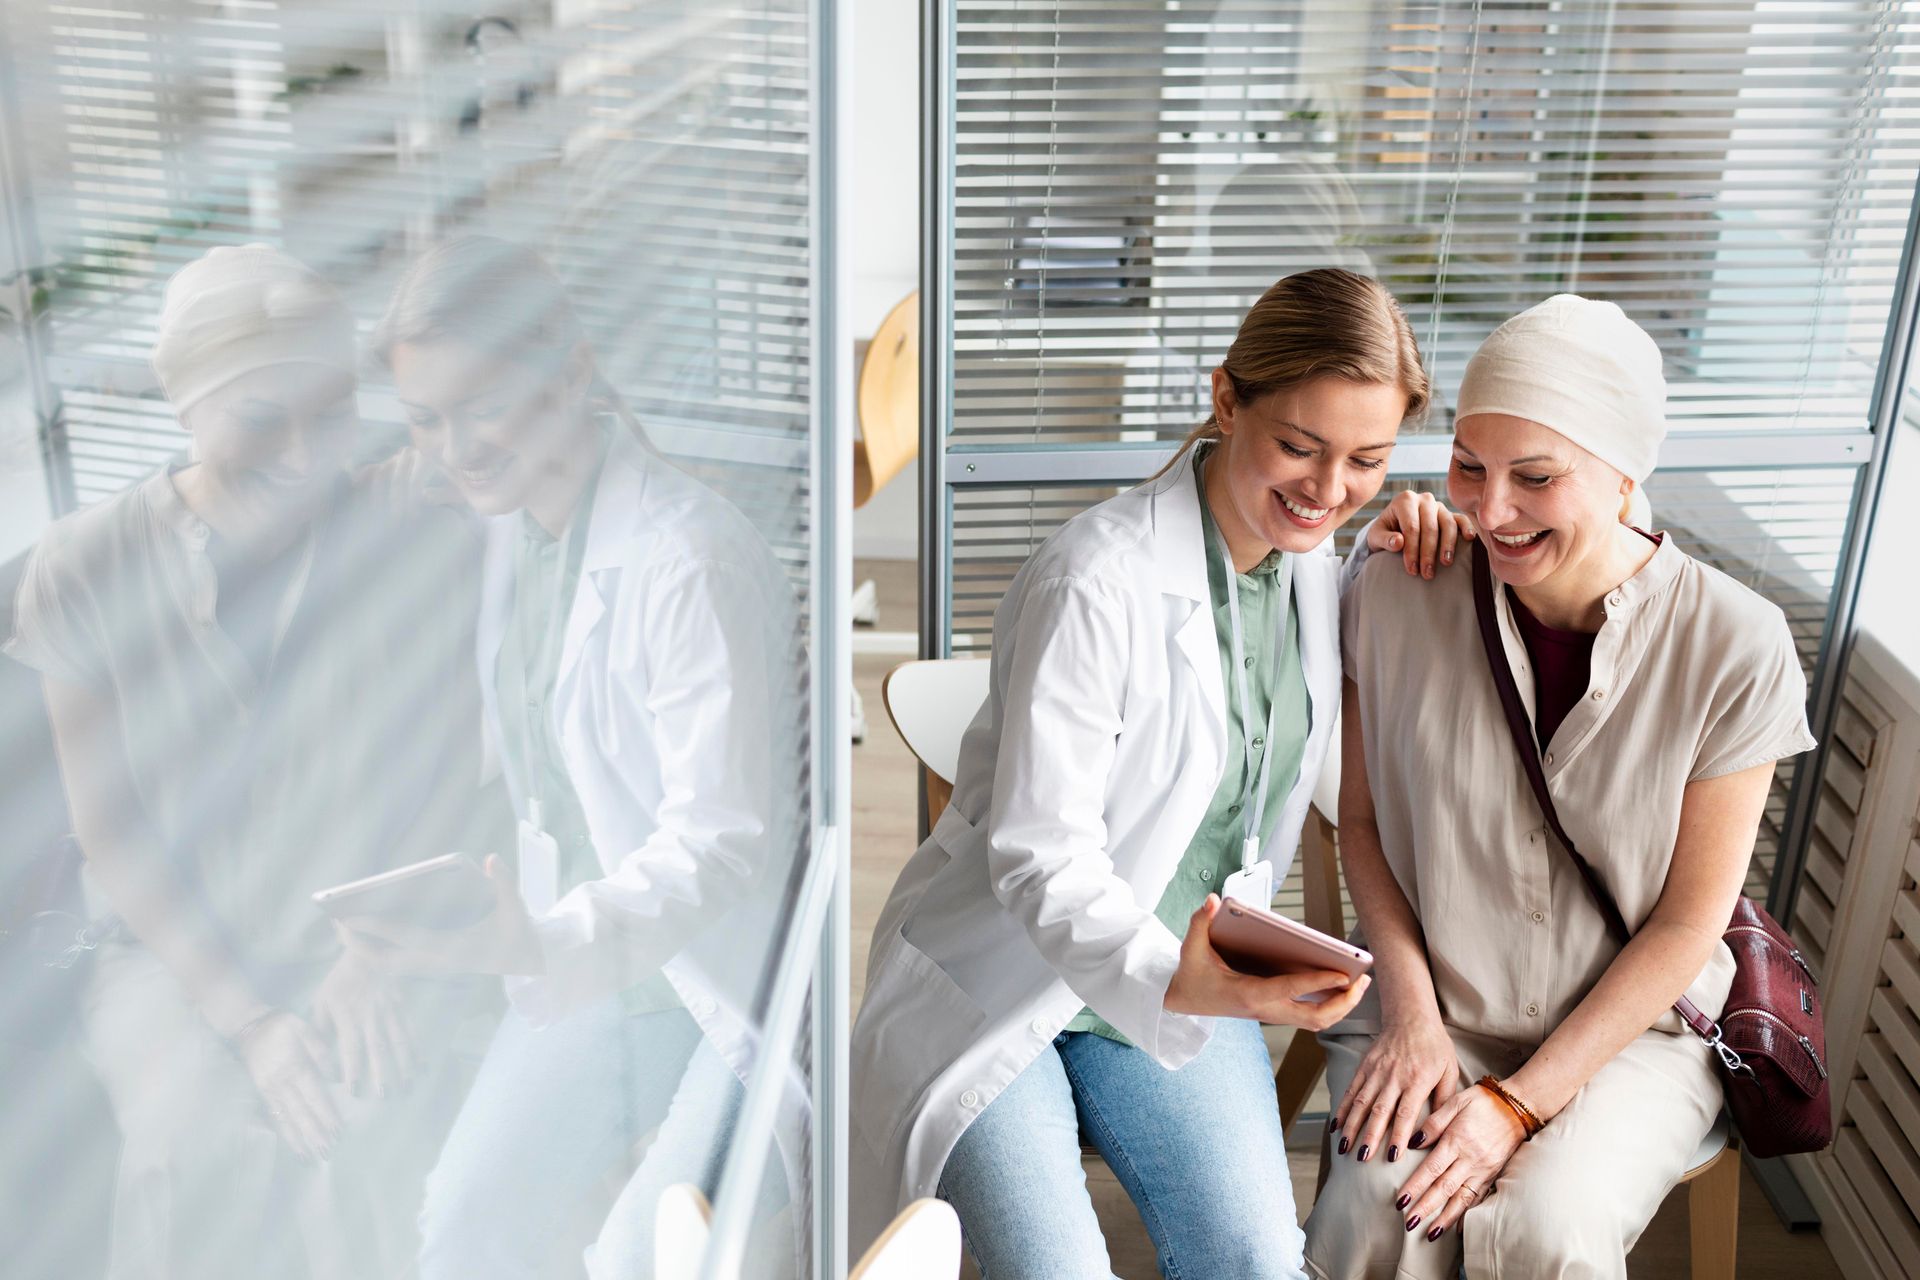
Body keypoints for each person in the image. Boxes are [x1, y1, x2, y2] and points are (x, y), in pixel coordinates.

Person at [851, 268, 1472, 1278]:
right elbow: (1040, 858)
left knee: (1255, 1262)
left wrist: (1407, 546)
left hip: (1190, 986)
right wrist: (1170, 975)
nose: (1329, 489)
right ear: (1227, 399)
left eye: (1367, 459)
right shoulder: (1094, 580)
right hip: (1009, 977)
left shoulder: (1319, 570)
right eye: (1300, 446)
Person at [4, 243, 504, 1277]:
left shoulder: (410, 520)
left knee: (358, 1145)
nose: (304, 452)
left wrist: (373, 951)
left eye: (332, 410)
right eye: (262, 419)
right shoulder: (82, 566)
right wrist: (251, 1023)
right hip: (168, 952)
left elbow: (449, 769)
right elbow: (110, 832)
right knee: (186, 1143)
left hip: (370, 929)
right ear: (182, 405)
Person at [1304, 295, 1817, 1279]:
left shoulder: (1735, 645)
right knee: (1379, 1203)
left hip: (1635, 1030)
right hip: (1434, 996)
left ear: (1626, 477)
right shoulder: (1400, 591)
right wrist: (1411, 1017)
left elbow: (1687, 924)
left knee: (1550, 1223)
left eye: (1535, 477)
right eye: (1468, 466)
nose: (1491, 509)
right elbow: (1359, 823)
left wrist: (1518, 1102)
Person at [342, 235, 804, 1279]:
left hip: (720, 979)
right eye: (425, 419)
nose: (455, 447)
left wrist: (548, 937)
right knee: (460, 1224)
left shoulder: (688, 559)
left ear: (571, 371)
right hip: (590, 970)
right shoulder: (511, 527)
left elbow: (721, 844)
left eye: (484, 406)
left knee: (641, 1258)